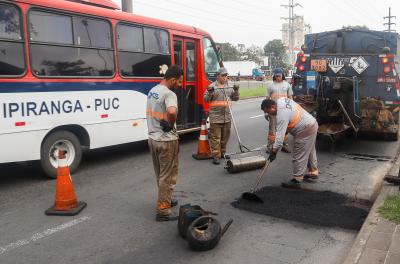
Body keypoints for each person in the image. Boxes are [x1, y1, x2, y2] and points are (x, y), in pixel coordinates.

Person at [146, 65, 183, 221]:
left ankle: (166, 199)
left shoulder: (153, 90)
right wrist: (170, 123)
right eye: (179, 81)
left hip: (153, 139)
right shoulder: (169, 94)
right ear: (173, 80)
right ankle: (163, 211)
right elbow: (172, 111)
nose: (180, 85)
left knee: (160, 174)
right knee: (168, 176)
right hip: (166, 141)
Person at [261, 97, 319, 188]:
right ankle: (313, 172)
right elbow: (291, 115)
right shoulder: (281, 100)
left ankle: (297, 179)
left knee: (299, 154)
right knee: (309, 150)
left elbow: (279, 140)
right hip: (312, 123)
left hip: (304, 129)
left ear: (273, 106)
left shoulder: (281, 115)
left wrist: (274, 152)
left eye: (268, 111)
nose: (269, 114)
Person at [204, 67, 240, 165]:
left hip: (227, 116)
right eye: (223, 75)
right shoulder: (212, 86)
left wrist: (236, 91)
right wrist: (210, 92)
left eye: (226, 75)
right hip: (215, 117)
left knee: (225, 137)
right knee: (215, 138)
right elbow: (206, 99)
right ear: (218, 76)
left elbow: (235, 98)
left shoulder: (229, 86)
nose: (225, 77)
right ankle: (216, 155)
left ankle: (223, 152)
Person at [266, 68, 293, 153]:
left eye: (279, 76)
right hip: (273, 111)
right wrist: (266, 112)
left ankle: (284, 146)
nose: (278, 77)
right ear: (274, 76)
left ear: (282, 75)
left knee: (284, 130)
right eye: (276, 76)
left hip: (284, 111)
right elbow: (267, 99)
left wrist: (291, 109)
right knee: (272, 130)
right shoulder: (271, 85)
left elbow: (290, 98)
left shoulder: (287, 85)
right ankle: (270, 146)